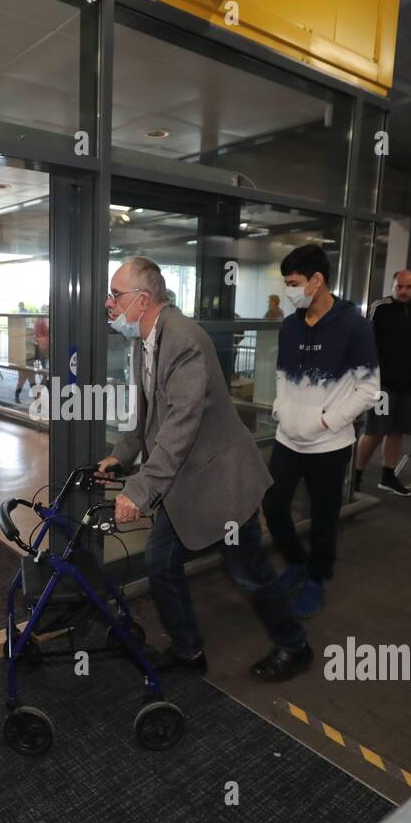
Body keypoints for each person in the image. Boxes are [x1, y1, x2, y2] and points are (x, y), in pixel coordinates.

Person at [97, 256, 312, 682]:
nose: (109, 303)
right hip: (185, 485)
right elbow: (148, 419)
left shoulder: (183, 341)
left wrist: (138, 491)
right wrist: (122, 454)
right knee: (160, 564)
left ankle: (295, 646)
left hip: (221, 483)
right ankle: (188, 650)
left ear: (141, 300)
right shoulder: (144, 341)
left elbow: (180, 425)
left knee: (247, 572)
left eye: (115, 295)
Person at [262, 245, 379, 618]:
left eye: (294, 283)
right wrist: (282, 407)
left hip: (329, 444)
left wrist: (328, 421)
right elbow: (282, 375)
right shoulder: (291, 324)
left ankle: (316, 578)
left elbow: (369, 389)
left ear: (317, 280)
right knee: (274, 506)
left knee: (324, 519)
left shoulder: (354, 326)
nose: (290, 291)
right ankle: (297, 561)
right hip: (287, 440)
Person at [354, 268, 411, 496]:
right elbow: (367, 343)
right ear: (392, 286)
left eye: (409, 287)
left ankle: (388, 476)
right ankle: (356, 474)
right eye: (400, 286)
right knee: (375, 431)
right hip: (383, 386)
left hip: (409, 386)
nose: (404, 291)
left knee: (397, 432)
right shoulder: (381, 308)